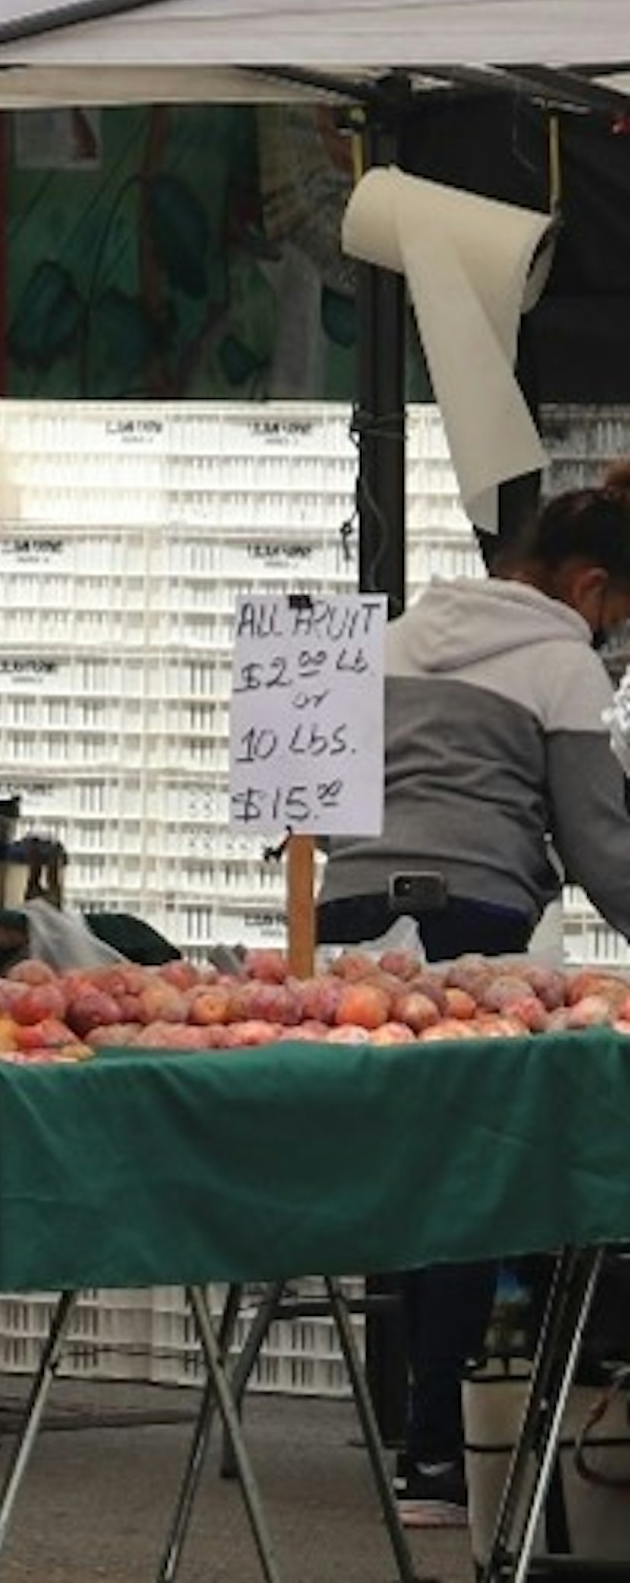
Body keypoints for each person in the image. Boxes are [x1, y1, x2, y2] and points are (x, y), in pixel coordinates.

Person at [318, 468, 630, 1526]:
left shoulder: (398, 634)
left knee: (411, 1162)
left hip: (348, 926)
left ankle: (433, 1437)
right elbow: (602, 847)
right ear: (590, 587)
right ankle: (443, 1454)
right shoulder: (562, 661)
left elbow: (317, 797)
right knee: (474, 1173)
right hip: (472, 926)